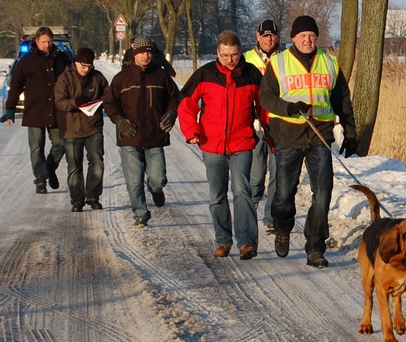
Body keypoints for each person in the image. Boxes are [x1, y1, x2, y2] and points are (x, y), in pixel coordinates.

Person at [259, 15, 357, 268]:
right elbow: (266, 98)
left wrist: (350, 130)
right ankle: (282, 228)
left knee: (322, 194)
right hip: (287, 135)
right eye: (302, 36)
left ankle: (315, 247)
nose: (307, 40)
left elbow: (342, 99)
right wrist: (289, 107)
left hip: (319, 136)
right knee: (282, 195)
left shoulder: (330, 63)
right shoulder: (279, 63)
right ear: (293, 38)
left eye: (312, 36)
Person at [178, 31, 263, 260]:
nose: (229, 60)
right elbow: (186, 102)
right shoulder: (205, 74)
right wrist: (192, 131)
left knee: (243, 191)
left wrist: (271, 131)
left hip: (241, 142)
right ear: (217, 53)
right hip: (212, 144)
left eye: (234, 55)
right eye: (225, 55)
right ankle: (223, 241)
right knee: (217, 195)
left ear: (239, 52)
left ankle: (247, 243)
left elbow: (264, 106)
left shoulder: (251, 74)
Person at [103, 35, 180, 227]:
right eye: (142, 53)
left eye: (149, 52)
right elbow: (110, 104)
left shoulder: (161, 76)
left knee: (158, 178)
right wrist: (119, 120)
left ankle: (155, 190)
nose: (146, 56)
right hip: (130, 136)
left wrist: (171, 113)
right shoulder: (122, 78)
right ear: (134, 54)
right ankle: (140, 213)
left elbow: (174, 97)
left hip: (155, 135)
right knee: (133, 180)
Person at [1, 26, 69, 194]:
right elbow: (16, 85)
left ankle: (49, 167)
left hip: (56, 109)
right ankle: (40, 180)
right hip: (35, 110)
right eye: (44, 42)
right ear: (37, 42)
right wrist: (10, 109)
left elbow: (73, 81)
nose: (47, 44)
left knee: (61, 143)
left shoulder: (62, 59)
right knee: (36, 147)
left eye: (49, 41)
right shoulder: (27, 61)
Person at [54, 47, 109, 212]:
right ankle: (77, 200)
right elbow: (59, 102)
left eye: (89, 66)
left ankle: (93, 197)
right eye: (83, 66)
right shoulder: (64, 79)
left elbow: (109, 94)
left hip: (93, 127)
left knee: (97, 163)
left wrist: (101, 101)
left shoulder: (97, 77)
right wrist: (75, 102)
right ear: (76, 62)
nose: (86, 69)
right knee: (74, 167)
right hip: (71, 129)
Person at [244, 19, 280, 236]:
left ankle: (271, 218)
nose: (269, 39)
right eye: (265, 35)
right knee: (257, 173)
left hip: (277, 124)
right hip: (255, 124)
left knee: (277, 173)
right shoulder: (247, 58)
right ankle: (255, 198)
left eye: (272, 35)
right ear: (257, 36)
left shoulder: (285, 60)